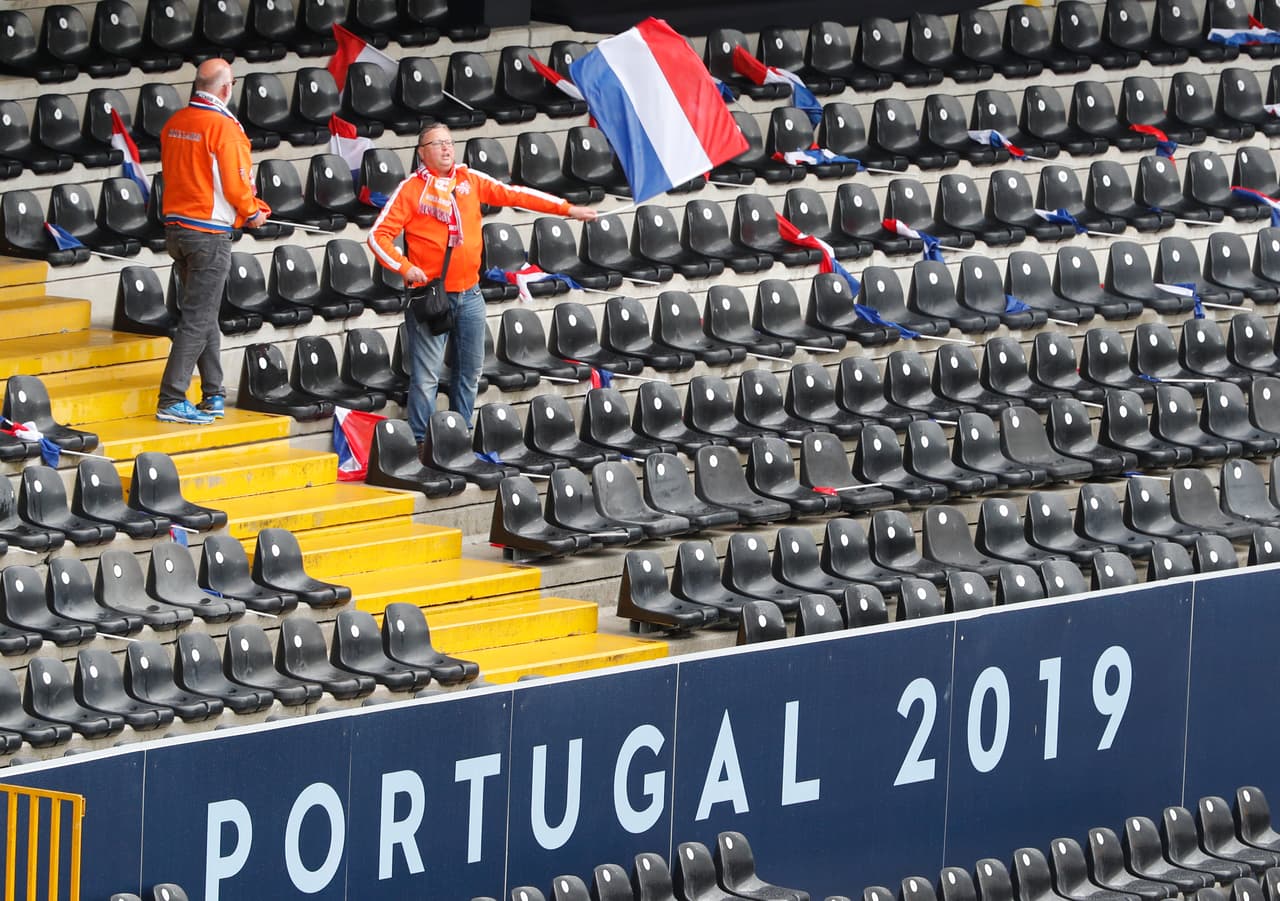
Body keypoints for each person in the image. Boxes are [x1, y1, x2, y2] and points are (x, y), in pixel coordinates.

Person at [368, 123, 597, 442]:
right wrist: (404, 267)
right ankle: (421, 441)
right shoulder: (410, 189)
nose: (447, 148)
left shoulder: (469, 179)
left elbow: (516, 194)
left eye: (449, 142)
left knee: (470, 371)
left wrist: (567, 209)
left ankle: (460, 435)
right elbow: (377, 236)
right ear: (422, 153)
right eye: (438, 144)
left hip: (470, 293)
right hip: (431, 295)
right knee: (425, 376)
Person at [156, 58, 270, 425]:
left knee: (205, 315)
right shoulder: (224, 128)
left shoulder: (175, 123)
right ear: (225, 88)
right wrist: (253, 212)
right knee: (198, 317)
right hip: (208, 233)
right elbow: (237, 185)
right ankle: (172, 397)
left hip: (177, 229)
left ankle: (213, 393)